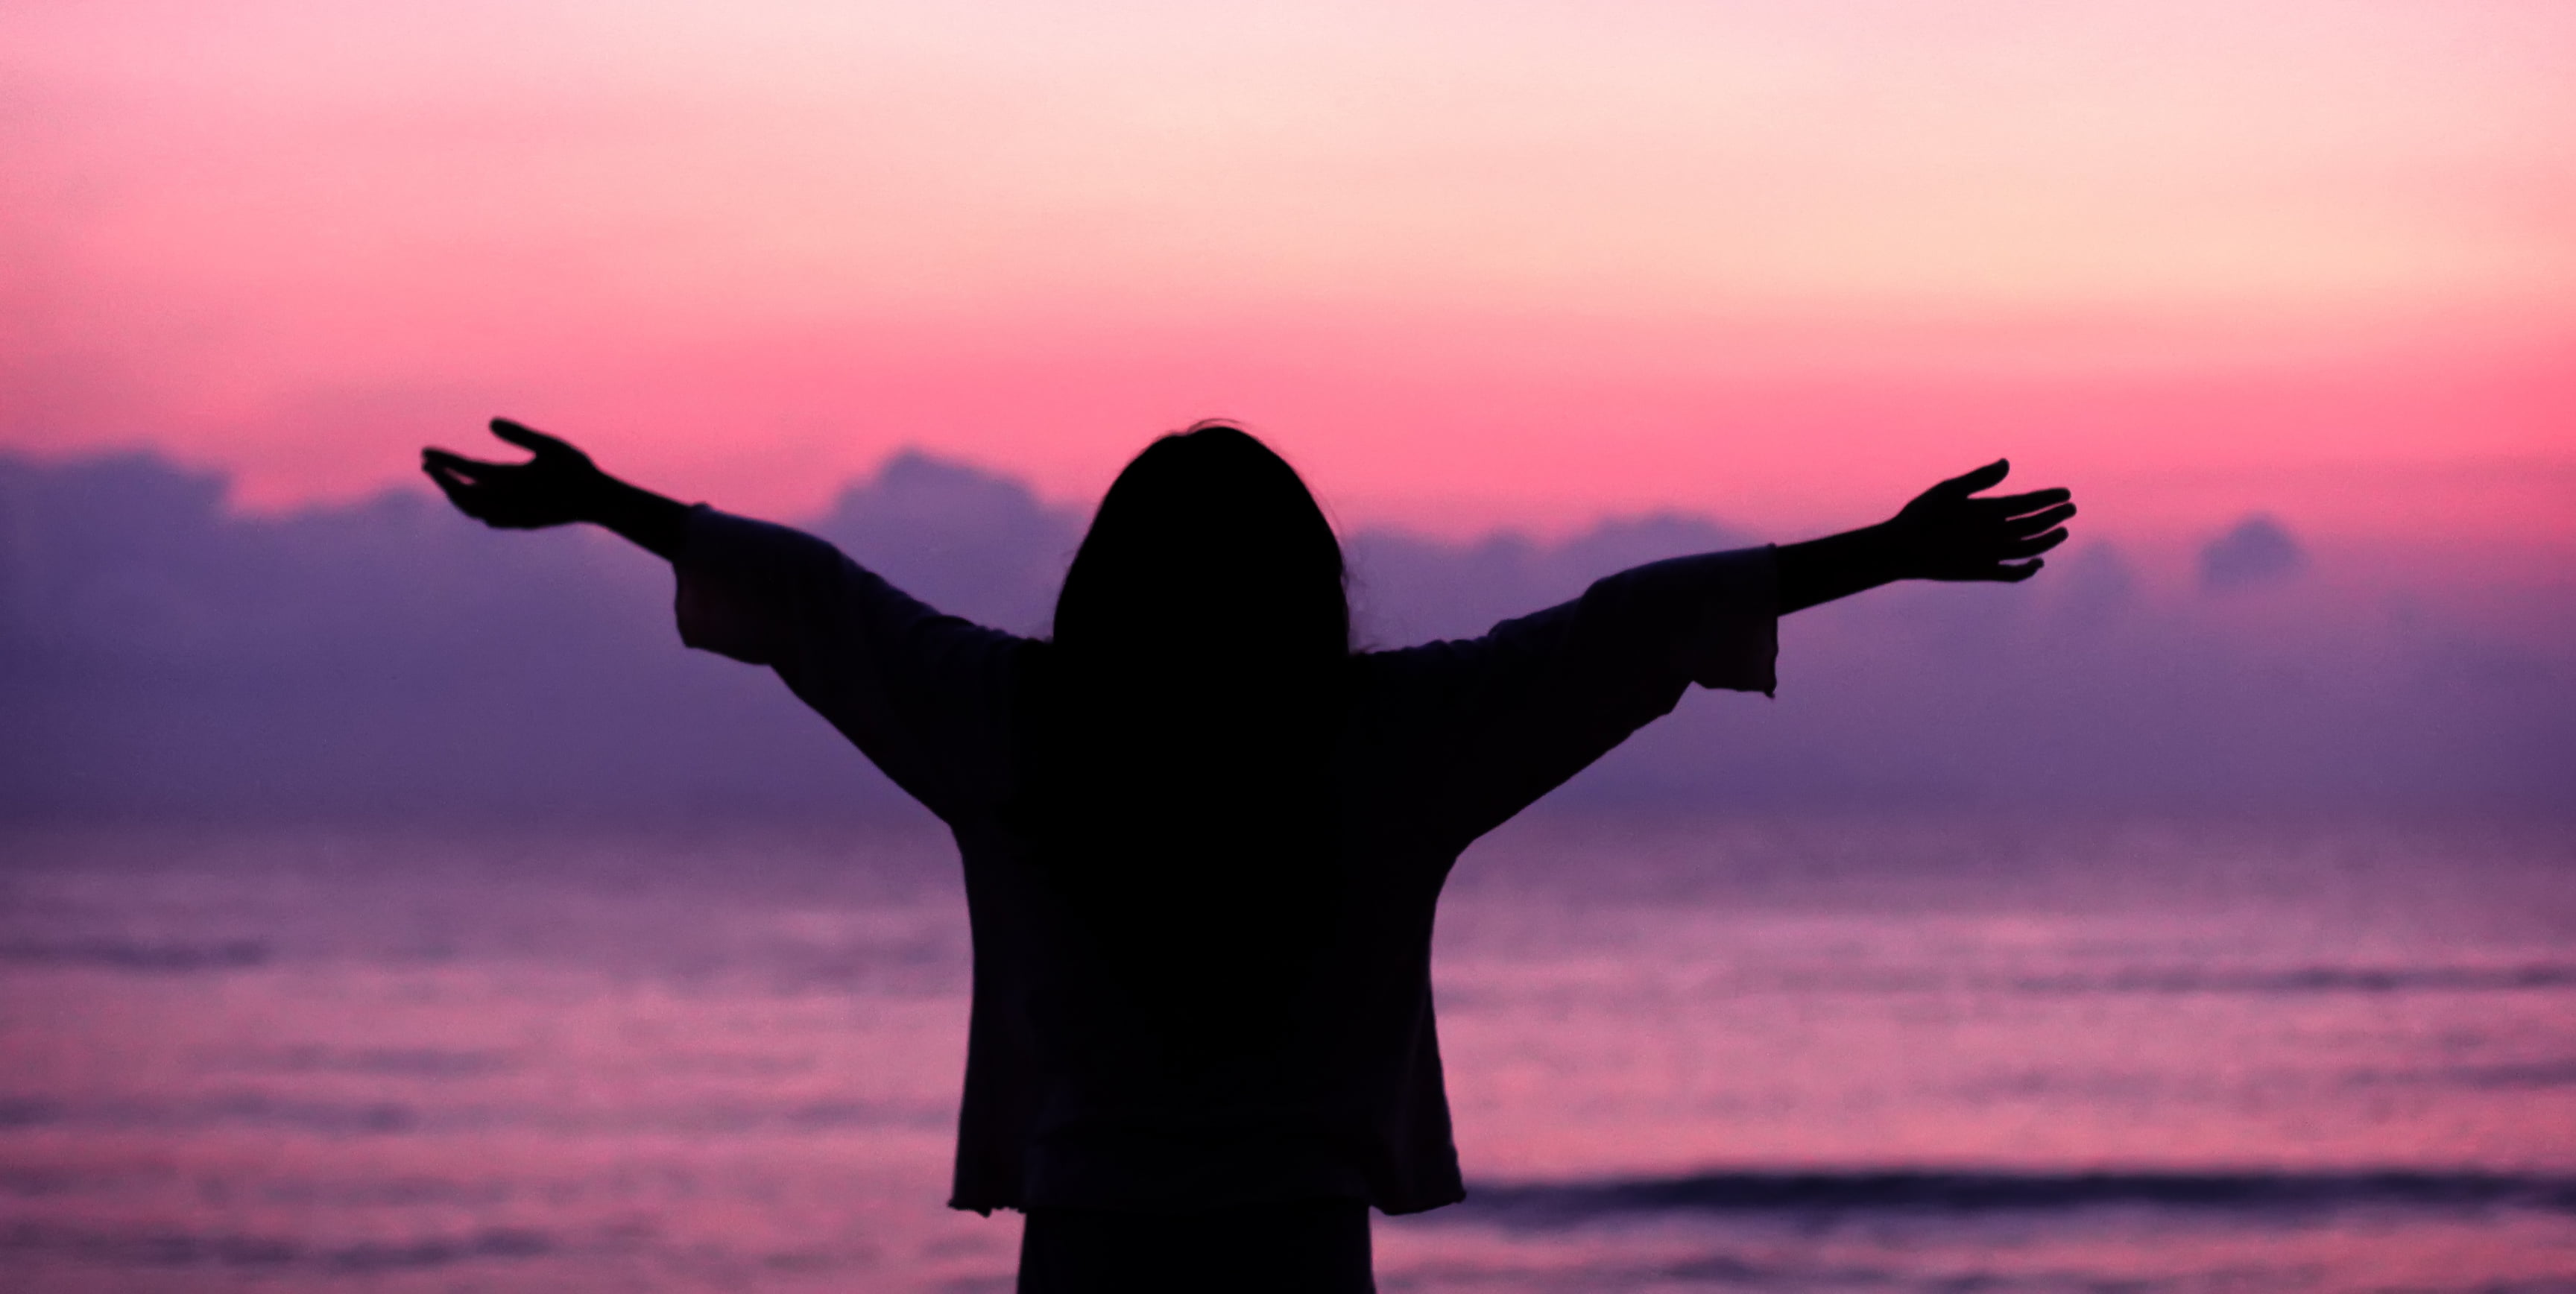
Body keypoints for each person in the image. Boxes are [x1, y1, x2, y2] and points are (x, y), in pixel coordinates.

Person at [423, 417, 2073, 1293]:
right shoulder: (1383, 740)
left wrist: (608, 503)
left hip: (1091, 1242)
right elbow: (1621, 632)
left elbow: (813, 597)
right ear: (1305, 583)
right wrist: (1888, 554)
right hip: (1294, 1246)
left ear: (1107, 578)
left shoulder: (1014, 721)